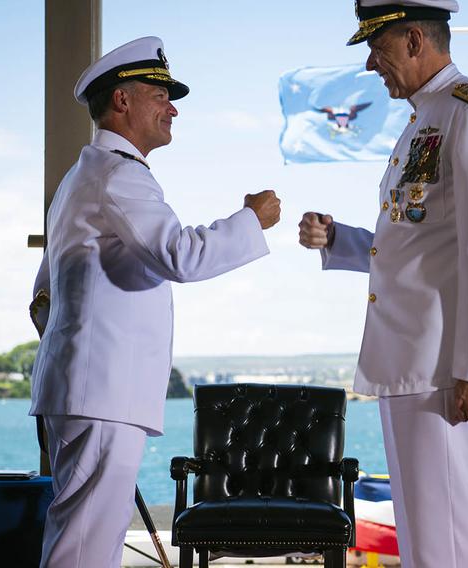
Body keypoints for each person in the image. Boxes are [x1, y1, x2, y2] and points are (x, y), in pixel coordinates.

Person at [29, 36, 280, 567]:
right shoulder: (121, 175)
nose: (172, 108)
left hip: (84, 390)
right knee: (86, 543)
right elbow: (182, 256)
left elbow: (42, 299)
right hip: (102, 394)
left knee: (81, 533)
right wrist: (251, 220)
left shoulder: (80, 179)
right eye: (160, 94)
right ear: (122, 101)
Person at [298, 2, 468, 566]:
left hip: (445, 364)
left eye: (379, 49)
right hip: (410, 359)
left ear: (416, 40)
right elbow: (415, 242)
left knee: (448, 528)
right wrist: (338, 240)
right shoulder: (425, 118)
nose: (373, 65)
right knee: (425, 531)